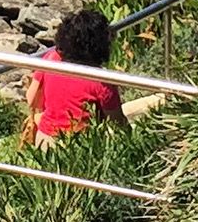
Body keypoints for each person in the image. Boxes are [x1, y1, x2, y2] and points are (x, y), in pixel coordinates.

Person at [25, 8, 125, 141]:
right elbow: (118, 123)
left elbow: (31, 98)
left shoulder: (51, 58)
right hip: (81, 144)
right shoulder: (102, 81)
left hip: (45, 137)